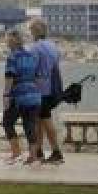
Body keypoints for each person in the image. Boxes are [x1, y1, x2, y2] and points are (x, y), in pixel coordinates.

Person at [1, 29, 42, 165]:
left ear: (12, 41)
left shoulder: (12, 57)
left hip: (18, 97)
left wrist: (6, 95)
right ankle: (33, 157)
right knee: (30, 125)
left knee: (7, 122)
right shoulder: (32, 56)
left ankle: (16, 153)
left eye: (7, 39)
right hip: (34, 95)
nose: (6, 42)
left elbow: (9, 77)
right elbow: (38, 77)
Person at [28, 18, 65, 164]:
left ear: (35, 31)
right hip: (50, 88)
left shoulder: (35, 48)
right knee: (40, 121)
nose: (30, 33)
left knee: (43, 120)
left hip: (38, 89)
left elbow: (32, 69)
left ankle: (56, 152)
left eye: (31, 30)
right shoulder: (53, 46)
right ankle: (39, 152)